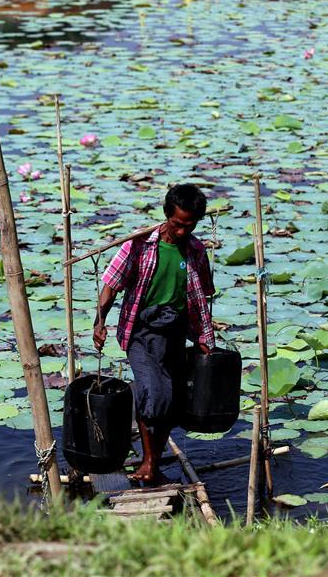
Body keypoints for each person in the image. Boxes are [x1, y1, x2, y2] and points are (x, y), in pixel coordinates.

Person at [93, 183, 216, 483]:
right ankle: (149, 463)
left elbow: (202, 298)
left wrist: (204, 339)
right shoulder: (138, 245)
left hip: (174, 331)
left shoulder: (196, 251)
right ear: (166, 216)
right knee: (154, 394)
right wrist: (100, 321)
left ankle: (152, 463)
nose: (182, 232)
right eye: (177, 225)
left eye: (190, 226)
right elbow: (111, 284)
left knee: (172, 402)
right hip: (142, 331)